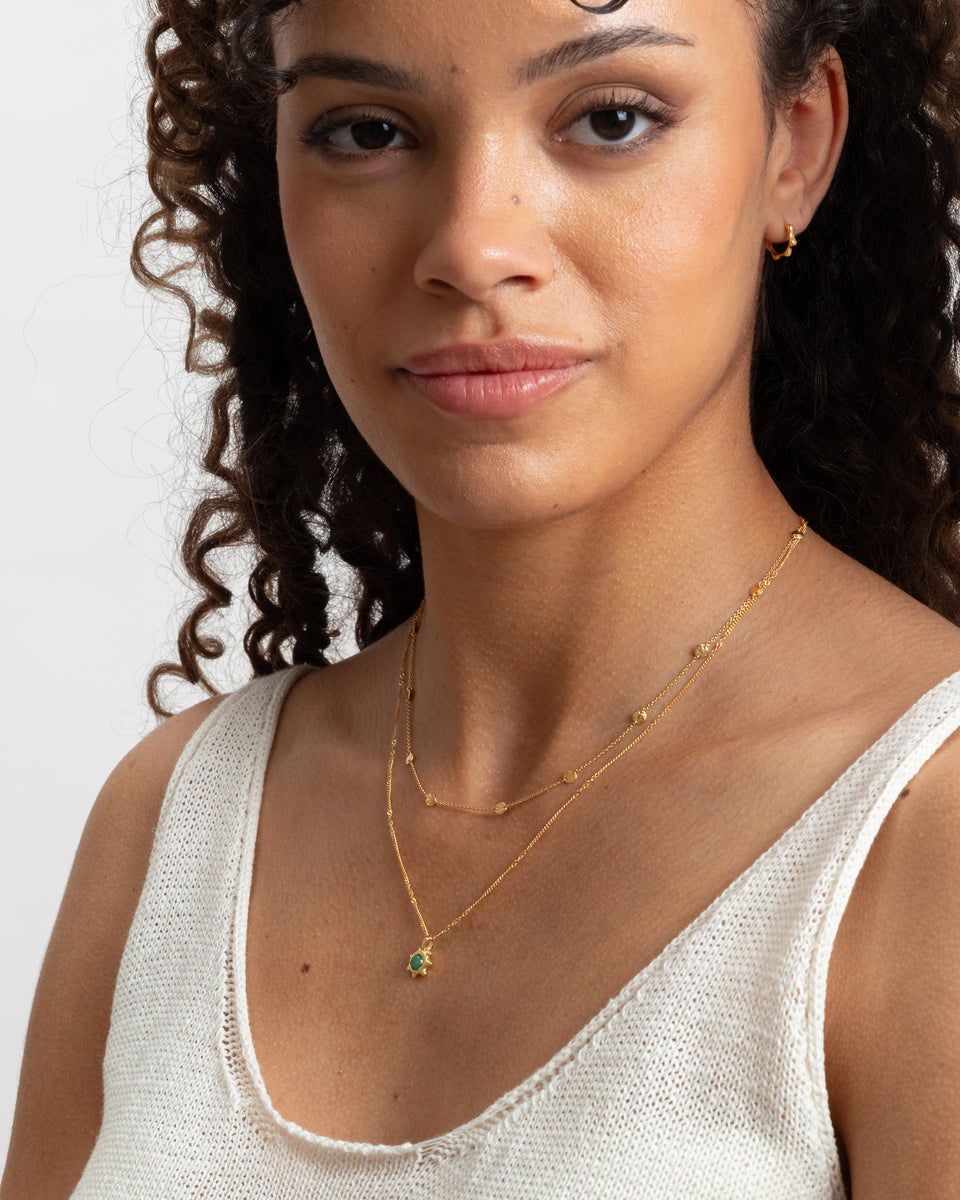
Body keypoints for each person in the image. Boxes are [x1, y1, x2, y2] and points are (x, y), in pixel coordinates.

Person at [4, 0, 960, 1194]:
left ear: (796, 146)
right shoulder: (173, 825)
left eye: (610, 119)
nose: (470, 243)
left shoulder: (927, 837)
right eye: (365, 131)